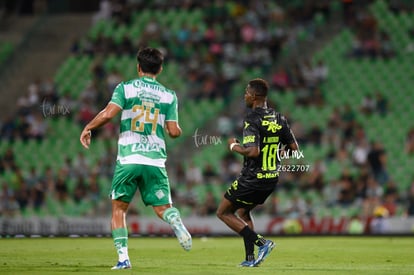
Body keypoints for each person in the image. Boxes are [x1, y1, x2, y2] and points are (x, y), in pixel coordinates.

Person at [79, 47, 191, 270]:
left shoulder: (126, 88)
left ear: (138, 67)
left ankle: (123, 259)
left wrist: (89, 127)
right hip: (155, 161)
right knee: (162, 208)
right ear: (160, 69)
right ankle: (174, 219)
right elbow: (174, 131)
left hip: (129, 159)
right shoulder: (169, 95)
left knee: (119, 209)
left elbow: (109, 114)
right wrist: (174, 128)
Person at [216, 78, 299, 267]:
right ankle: (250, 258)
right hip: (271, 178)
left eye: (246, 92)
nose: (244, 95)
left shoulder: (252, 118)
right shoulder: (279, 117)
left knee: (223, 212)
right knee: (243, 213)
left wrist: (234, 146)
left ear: (253, 96)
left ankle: (263, 243)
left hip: (252, 179)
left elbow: (253, 151)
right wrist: (278, 153)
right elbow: (294, 147)